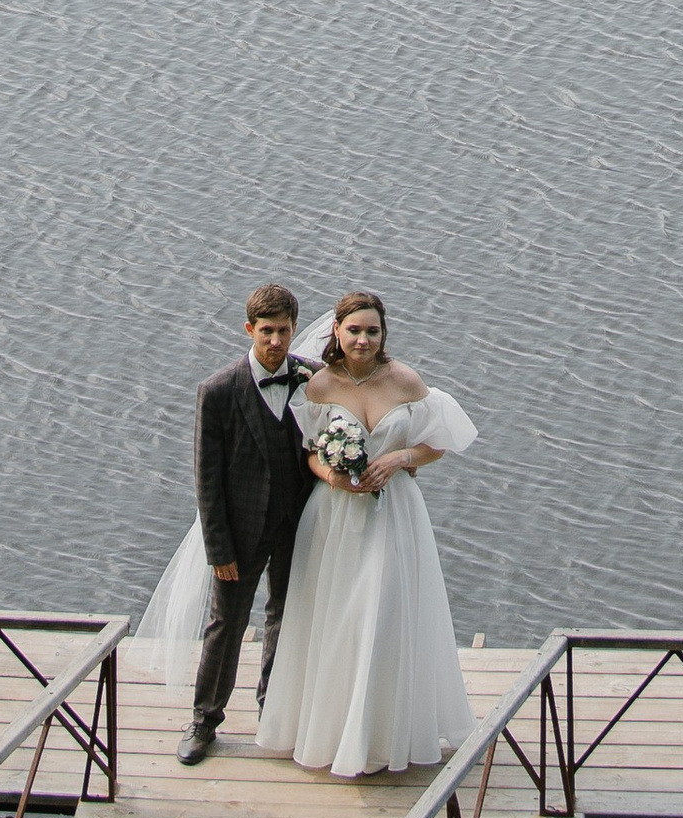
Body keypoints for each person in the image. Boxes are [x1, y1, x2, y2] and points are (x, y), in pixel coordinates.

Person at [255, 289, 479, 780]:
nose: (362, 339)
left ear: (383, 334)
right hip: (336, 517)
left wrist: (402, 458)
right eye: (354, 330)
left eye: (372, 330)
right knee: (339, 617)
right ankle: (333, 732)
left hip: (395, 514)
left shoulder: (406, 381)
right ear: (336, 332)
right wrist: (333, 476)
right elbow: (310, 451)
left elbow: (439, 442)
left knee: (387, 612)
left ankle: (383, 733)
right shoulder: (319, 387)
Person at [133, 281, 319, 768]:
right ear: (249, 329)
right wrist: (219, 551)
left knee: (286, 616)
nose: (276, 341)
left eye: (283, 331)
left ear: (295, 329)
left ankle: (272, 710)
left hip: (300, 524)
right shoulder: (217, 391)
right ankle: (204, 720)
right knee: (226, 625)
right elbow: (207, 480)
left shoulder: (313, 380)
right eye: (266, 331)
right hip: (240, 531)